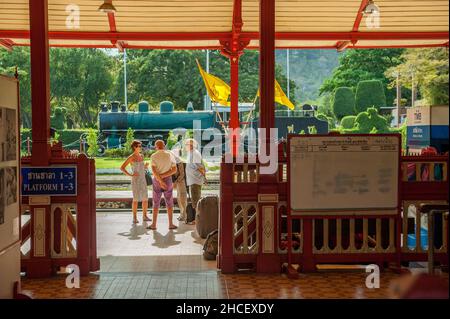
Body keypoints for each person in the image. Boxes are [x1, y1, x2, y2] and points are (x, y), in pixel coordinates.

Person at [147, 140, 178, 230]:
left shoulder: (153, 156)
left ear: (156, 146)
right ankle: (171, 224)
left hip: (157, 180)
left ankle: (153, 225)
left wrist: (160, 180)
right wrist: (164, 177)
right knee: (169, 202)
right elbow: (174, 170)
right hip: (168, 180)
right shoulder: (170, 155)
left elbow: (154, 170)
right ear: (164, 146)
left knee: (156, 202)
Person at [120, 140, 150, 224]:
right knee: (136, 199)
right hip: (136, 180)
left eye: (141, 146)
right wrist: (131, 175)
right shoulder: (131, 157)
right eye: (139, 146)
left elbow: (142, 169)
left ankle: (145, 216)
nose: (141, 148)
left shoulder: (142, 156)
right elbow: (122, 168)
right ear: (134, 147)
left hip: (143, 179)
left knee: (145, 199)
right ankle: (134, 217)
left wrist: (145, 166)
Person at [185, 138, 206, 224]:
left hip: (195, 180)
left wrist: (204, 177)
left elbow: (200, 167)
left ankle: (197, 220)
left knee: (196, 200)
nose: (185, 146)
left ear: (191, 145)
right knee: (194, 199)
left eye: (186, 144)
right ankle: (195, 219)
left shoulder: (195, 153)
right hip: (192, 179)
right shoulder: (191, 153)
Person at [172, 152, 188, 222]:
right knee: (179, 198)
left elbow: (182, 174)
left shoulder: (179, 162)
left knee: (182, 198)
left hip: (181, 182)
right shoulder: (173, 161)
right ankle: (182, 214)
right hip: (177, 182)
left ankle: (185, 215)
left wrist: (175, 182)